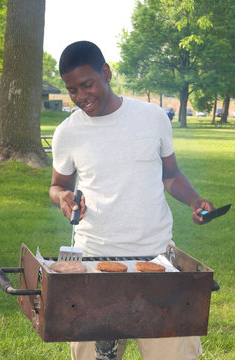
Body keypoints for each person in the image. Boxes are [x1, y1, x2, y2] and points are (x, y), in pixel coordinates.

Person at [49, 41, 214, 360]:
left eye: (87, 84)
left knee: (174, 353)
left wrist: (194, 200)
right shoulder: (67, 133)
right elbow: (57, 185)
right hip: (92, 262)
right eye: (72, 90)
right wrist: (63, 197)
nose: (81, 97)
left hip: (156, 259)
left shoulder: (152, 117)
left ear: (106, 73)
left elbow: (171, 176)